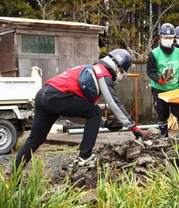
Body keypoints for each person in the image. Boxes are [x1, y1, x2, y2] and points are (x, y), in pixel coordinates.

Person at [15, 49, 148, 168]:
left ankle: (14, 179)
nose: (121, 76)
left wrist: (105, 123)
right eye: (122, 72)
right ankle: (85, 156)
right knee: (95, 112)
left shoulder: (91, 70)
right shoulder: (103, 74)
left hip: (44, 95)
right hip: (56, 97)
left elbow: (78, 107)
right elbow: (114, 102)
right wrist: (134, 128)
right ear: (116, 65)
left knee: (35, 139)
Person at [147, 23, 179, 139]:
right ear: (160, 37)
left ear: (174, 38)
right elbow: (150, 72)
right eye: (165, 38)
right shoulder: (154, 54)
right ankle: (163, 138)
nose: (168, 40)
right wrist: (159, 80)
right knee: (163, 114)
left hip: (175, 89)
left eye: (170, 38)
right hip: (160, 89)